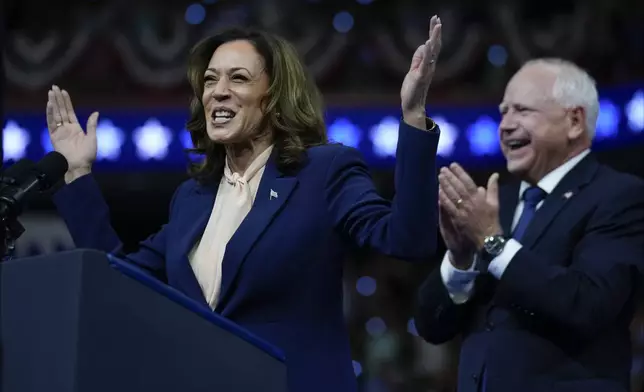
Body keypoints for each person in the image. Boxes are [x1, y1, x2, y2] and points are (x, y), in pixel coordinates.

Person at [45, 18, 443, 392]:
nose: (218, 91)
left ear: (272, 98)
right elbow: (118, 281)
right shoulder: (192, 199)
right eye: (210, 80)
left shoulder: (322, 172)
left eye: (238, 78)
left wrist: (413, 117)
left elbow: (407, 239)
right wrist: (77, 174)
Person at [415, 58, 644, 392]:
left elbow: (587, 304)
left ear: (574, 121)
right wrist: (460, 259)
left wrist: (493, 244)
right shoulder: (497, 205)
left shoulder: (619, 197)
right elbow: (431, 327)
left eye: (522, 111)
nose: (505, 125)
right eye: (503, 112)